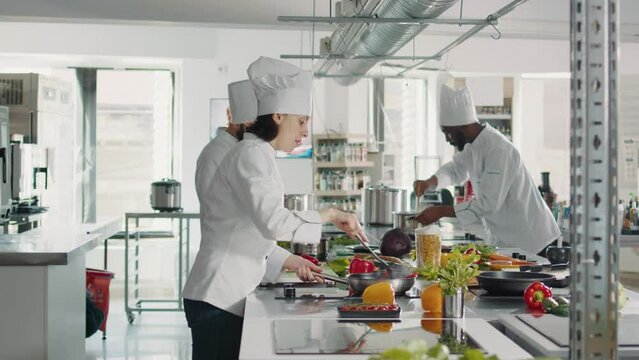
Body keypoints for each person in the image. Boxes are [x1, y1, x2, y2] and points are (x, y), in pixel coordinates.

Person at [182, 56, 367, 360]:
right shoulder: (251, 154)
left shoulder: (257, 152)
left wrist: (291, 260)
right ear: (279, 116)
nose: (305, 132)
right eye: (302, 121)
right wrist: (331, 213)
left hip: (225, 293)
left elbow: (250, 231)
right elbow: (273, 223)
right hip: (218, 294)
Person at [413, 85, 560, 256]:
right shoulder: (471, 146)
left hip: (534, 240)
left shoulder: (498, 149)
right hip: (510, 240)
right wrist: (429, 182)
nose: (447, 139)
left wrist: (441, 212)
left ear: (461, 126)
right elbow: (455, 170)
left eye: (448, 132)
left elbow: (488, 204)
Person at [194, 79, 257, 199]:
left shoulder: (243, 147)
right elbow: (211, 203)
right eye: (252, 124)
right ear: (234, 118)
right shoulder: (214, 153)